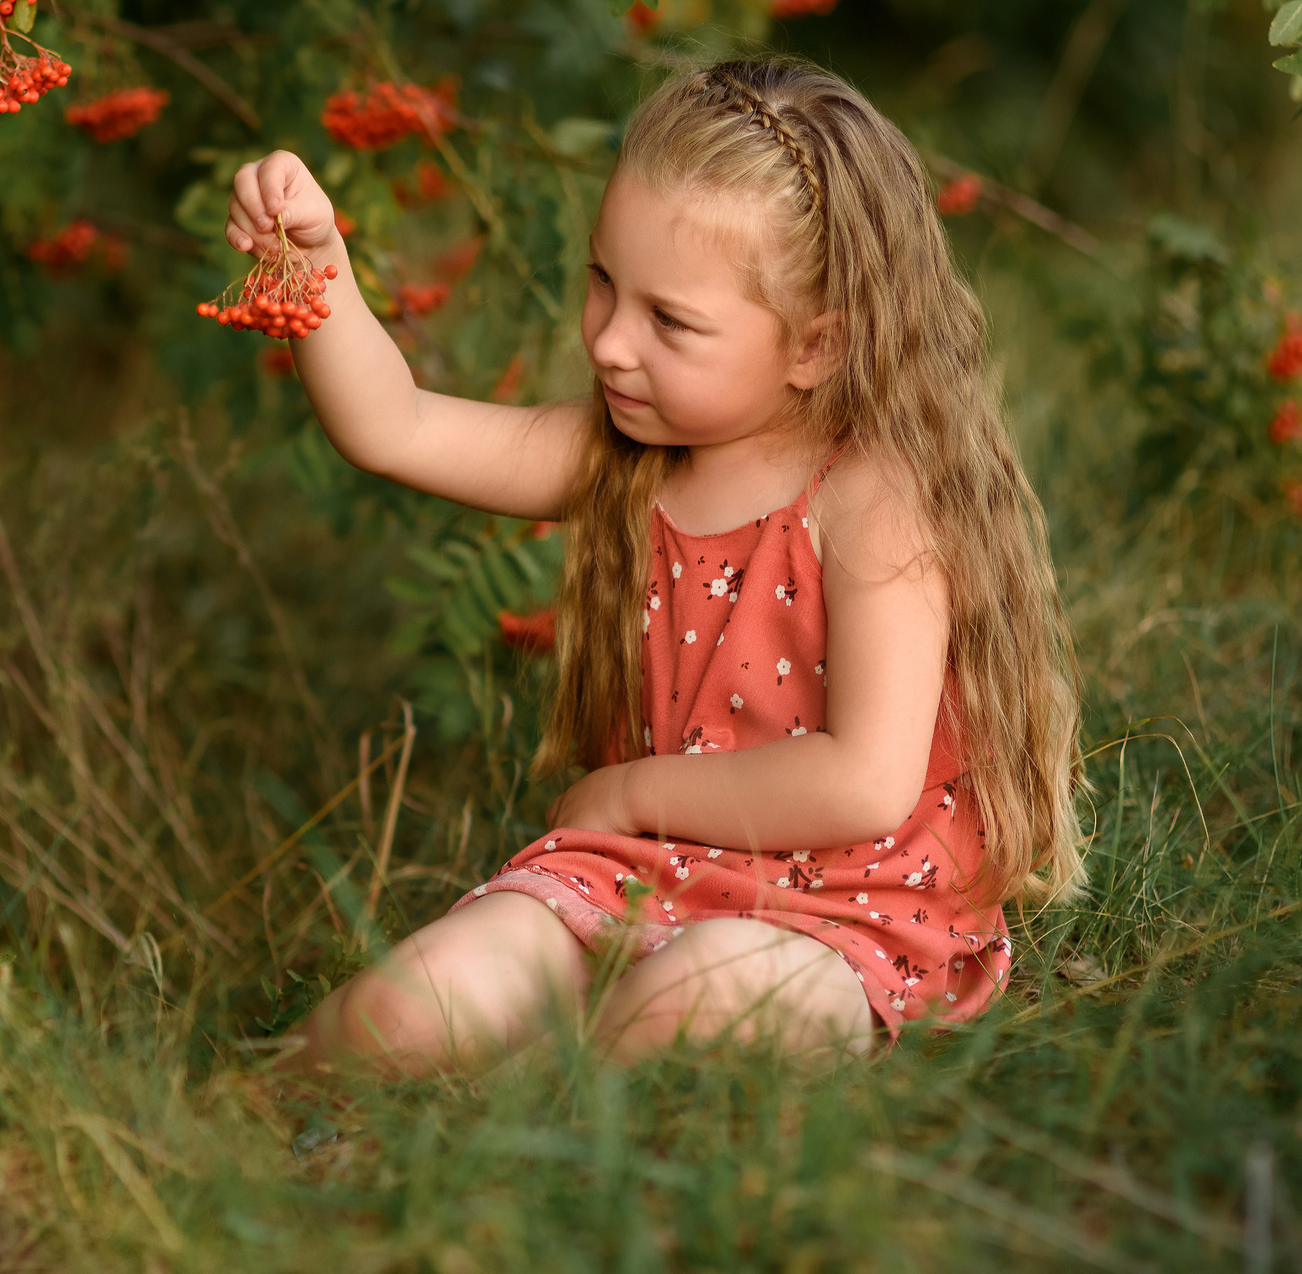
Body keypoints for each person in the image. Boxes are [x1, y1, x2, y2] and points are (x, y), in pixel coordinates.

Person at [223, 58, 1082, 1072]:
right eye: (601, 283)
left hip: (848, 912)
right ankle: (245, 1137)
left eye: (669, 321)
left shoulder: (874, 498)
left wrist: (632, 794)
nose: (609, 342)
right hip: (638, 870)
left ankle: (532, 1139)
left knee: (684, 995)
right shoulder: (620, 458)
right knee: (405, 1010)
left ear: (816, 345)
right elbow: (394, 425)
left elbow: (863, 780)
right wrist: (316, 263)